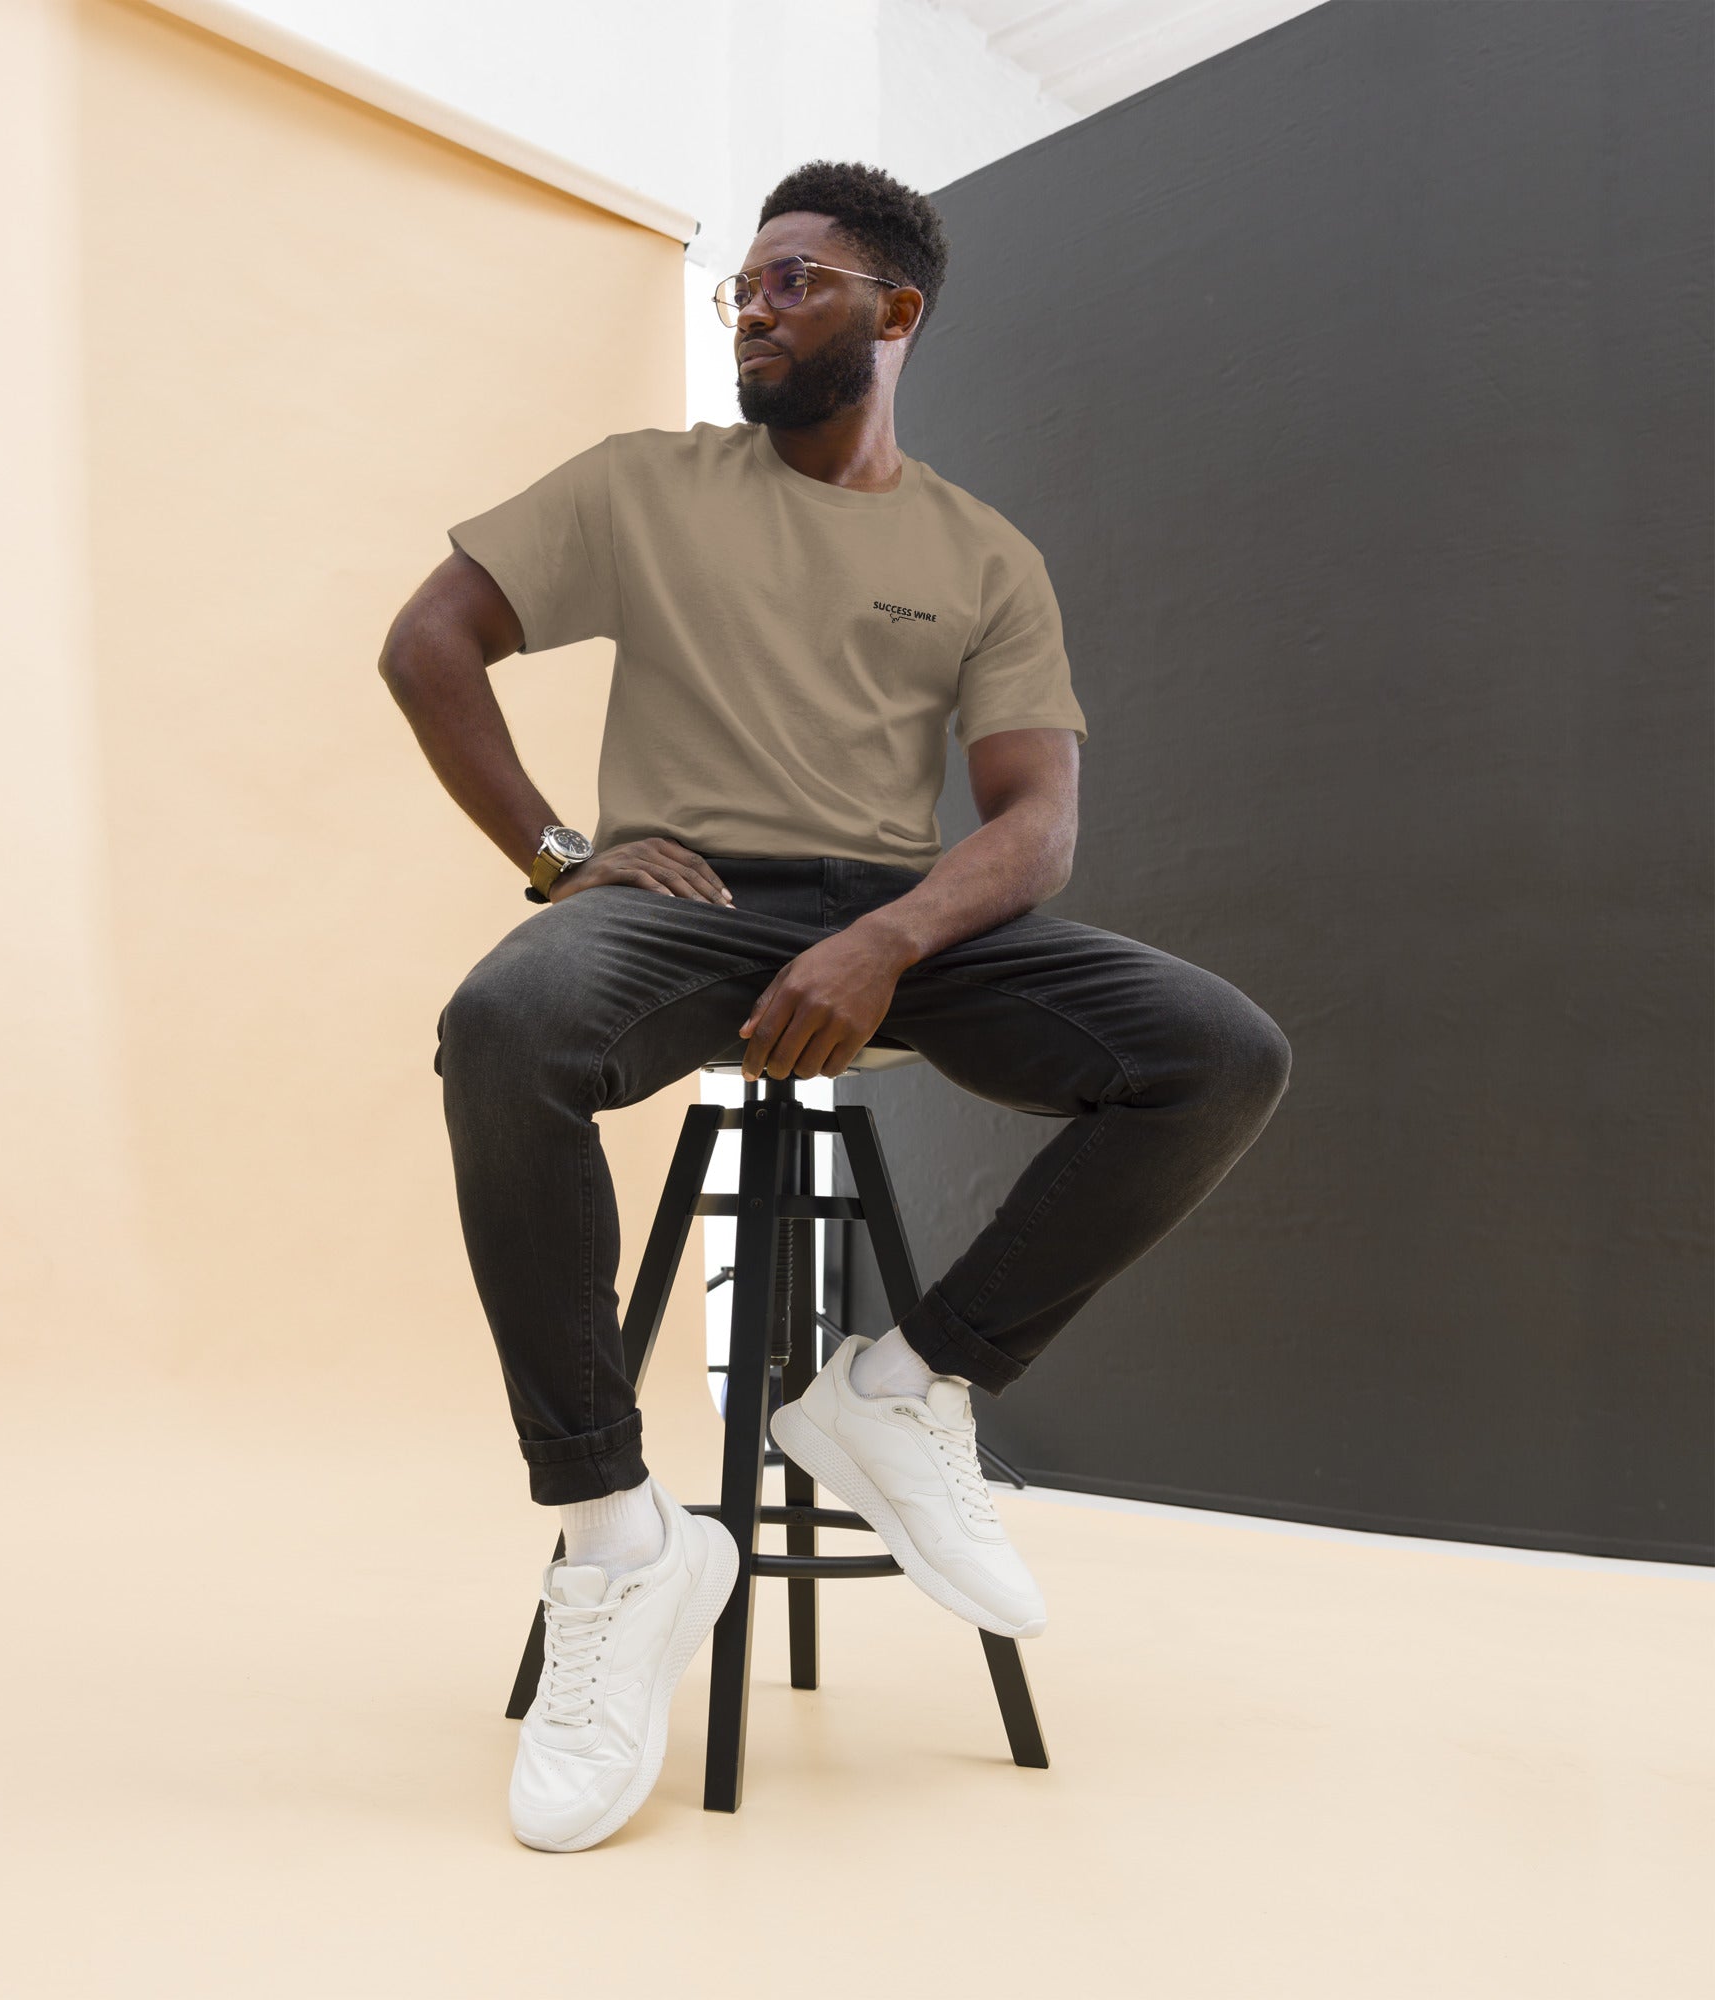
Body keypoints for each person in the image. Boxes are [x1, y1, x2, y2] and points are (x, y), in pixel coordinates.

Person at [379, 159, 1292, 1852]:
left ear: (895, 311)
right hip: (688, 906)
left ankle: (899, 1388)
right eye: (742, 284)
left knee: (1217, 1053)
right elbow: (428, 640)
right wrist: (565, 853)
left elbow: (1035, 824)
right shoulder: (643, 486)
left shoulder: (981, 554)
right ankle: (618, 1543)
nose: (754, 305)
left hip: (899, 914)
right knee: (503, 1030)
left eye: (793, 280)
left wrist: (888, 942)